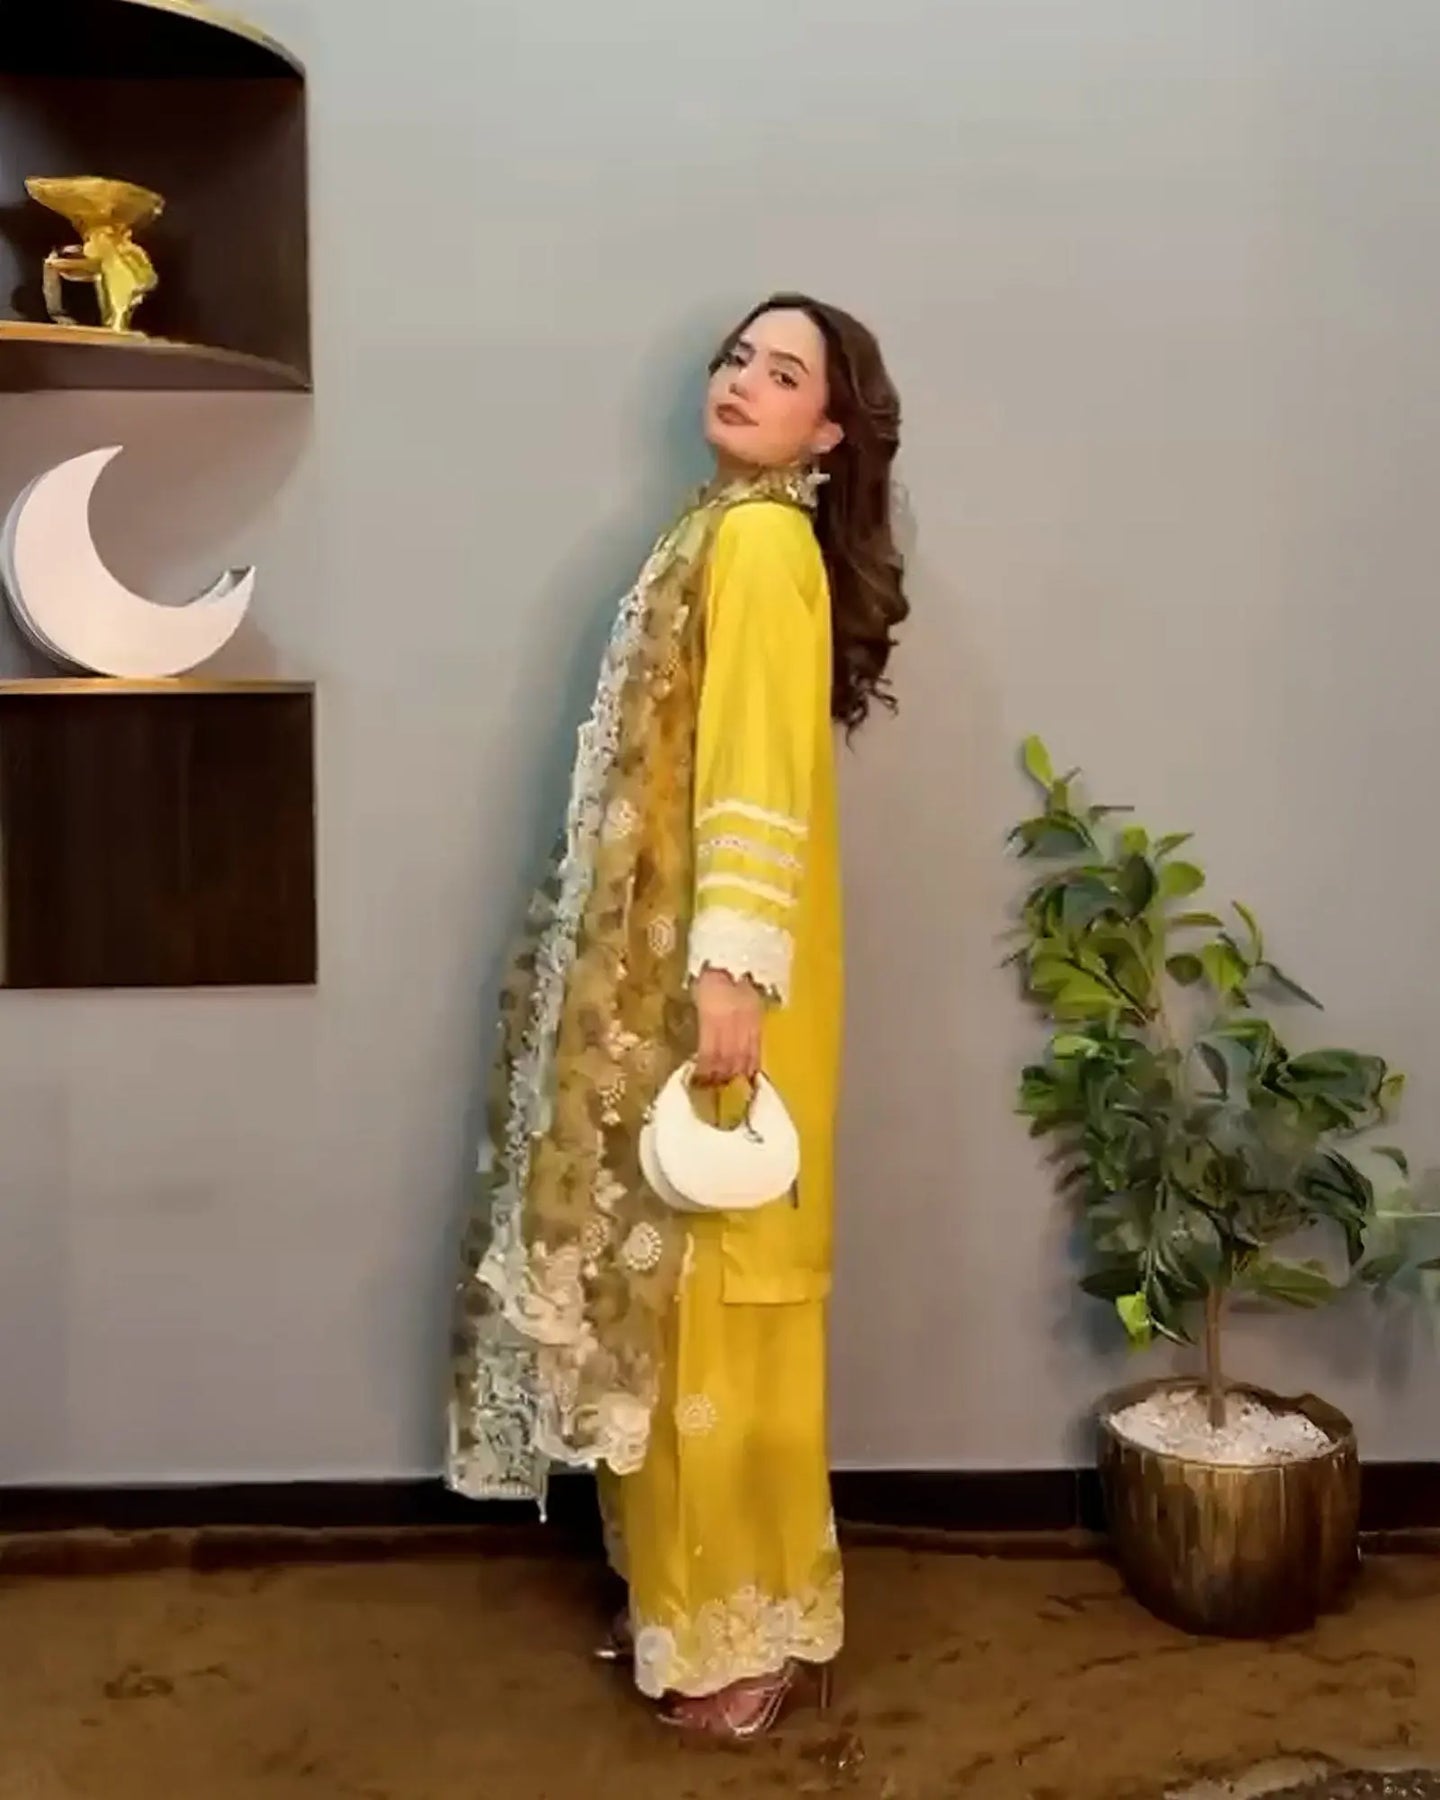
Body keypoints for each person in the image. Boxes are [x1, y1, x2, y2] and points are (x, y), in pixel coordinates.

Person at [446, 293, 907, 1741]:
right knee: (663, 1296)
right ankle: (680, 1607)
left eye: (785, 372)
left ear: (829, 432)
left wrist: (730, 975)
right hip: (683, 971)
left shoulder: (762, 544)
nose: (745, 380)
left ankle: (746, 1639)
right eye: (737, 358)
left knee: (718, 1304)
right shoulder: (713, 532)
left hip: (724, 985)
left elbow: (753, 768)